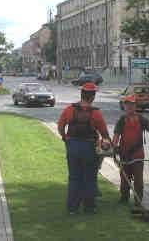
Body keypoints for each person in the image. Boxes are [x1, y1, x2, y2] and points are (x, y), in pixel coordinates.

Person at [58, 82, 110, 214]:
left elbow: (60, 126)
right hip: (89, 148)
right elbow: (104, 133)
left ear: (81, 94)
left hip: (73, 147)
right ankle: (89, 207)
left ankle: (72, 208)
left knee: (74, 177)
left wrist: (65, 138)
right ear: (92, 97)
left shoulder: (69, 109)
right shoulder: (96, 113)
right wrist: (107, 143)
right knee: (90, 177)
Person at [112, 96, 149, 208]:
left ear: (135, 106)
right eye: (127, 105)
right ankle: (124, 198)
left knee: (138, 180)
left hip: (137, 154)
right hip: (124, 154)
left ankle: (138, 201)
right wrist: (114, 146)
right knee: (124, 178)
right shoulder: (122, 120)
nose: (129, 107)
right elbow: (116, 136)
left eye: (131, 105)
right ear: (124, 106)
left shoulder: (142, 119)